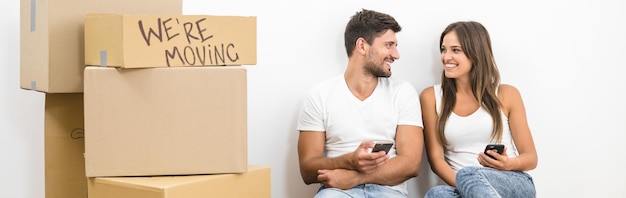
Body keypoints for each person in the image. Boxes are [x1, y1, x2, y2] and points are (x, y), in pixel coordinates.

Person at [296, 9, 424, 198]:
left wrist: (354, 177)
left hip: (388, 190)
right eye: (389, 45)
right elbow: (307, 170)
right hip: (336, 191)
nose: (396, 55)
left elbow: (411, 164)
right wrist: (350, 161)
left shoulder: (403, 92)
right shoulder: (319, 96)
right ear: (362, 46)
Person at [420, 21, 538, 198]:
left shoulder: (507, 94)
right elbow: (436, 160)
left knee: (469, 173)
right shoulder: (431, 97)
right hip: (461, 186)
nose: (446, 57)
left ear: (476, 53)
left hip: (511, 181)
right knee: (436, 194)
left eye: (455, 50)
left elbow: (531, 158)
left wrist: (507, 164)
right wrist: (467, 187)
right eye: (443, 49)